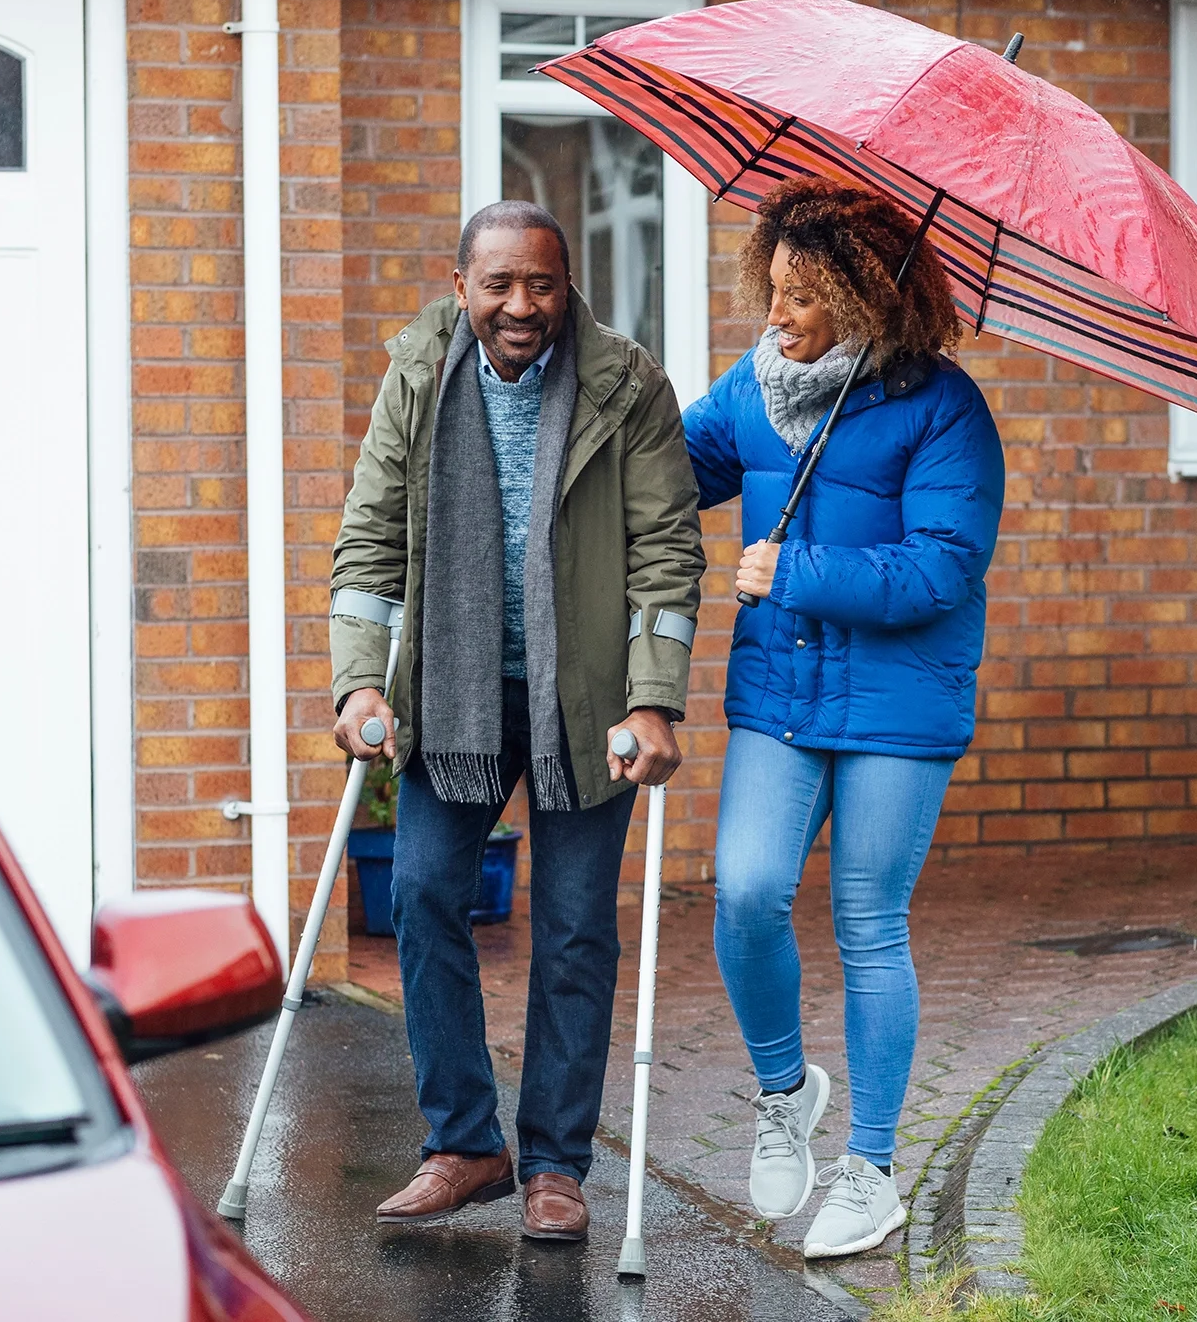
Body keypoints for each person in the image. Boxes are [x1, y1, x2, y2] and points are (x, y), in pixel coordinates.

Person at [330, 200, 704, 1242]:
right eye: (498, 284)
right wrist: (361, 685)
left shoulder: (627, 386)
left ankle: (554, 1165)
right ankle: (464, 1143)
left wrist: (653, 697)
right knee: (421, 894)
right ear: (462, 288)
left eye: (541, 282)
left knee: (577, 929)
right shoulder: (415, 375)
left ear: (567, 282)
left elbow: (666, 551)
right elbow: (368, 542)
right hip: (454, 689)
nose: (521, 305)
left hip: (585, 697)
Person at [682, 177, 1005, 1259]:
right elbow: (674, 469)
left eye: (806, 300)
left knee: (869, 919)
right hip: (781, 690)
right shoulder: (757, 386)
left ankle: (872, 1170)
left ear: (872, 301)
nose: (778, 316)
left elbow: (942, 570)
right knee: (747, 890)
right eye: (772, 289)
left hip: (896, 704)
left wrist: (796, 568)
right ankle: (786, 1093)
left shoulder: (945, 411)